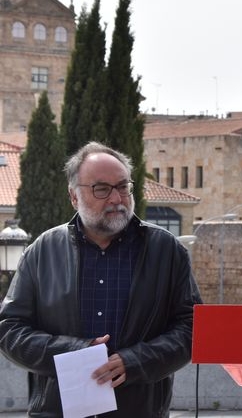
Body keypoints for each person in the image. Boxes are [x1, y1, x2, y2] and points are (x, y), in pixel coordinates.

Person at [0, 141, 202, 417]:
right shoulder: (42, 252)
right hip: (57, 410)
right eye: (102, 189)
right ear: (73, 196)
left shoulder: (167, 251)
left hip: (140, 410)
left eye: (122, 187)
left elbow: (193, 329)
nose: (116, 199)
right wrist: (76, 353)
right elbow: (10, 329)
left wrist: (134, 362)